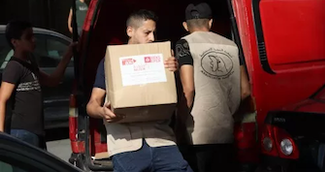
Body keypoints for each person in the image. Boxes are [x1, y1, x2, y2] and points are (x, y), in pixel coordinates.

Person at [86, 9, 193, 172]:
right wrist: (102, 112)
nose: (152, 38)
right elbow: (92, 104)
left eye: (154, 33)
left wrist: (175, 72)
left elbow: (178, 97)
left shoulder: (164, 58)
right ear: (130, 31)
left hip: (162, 142)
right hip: (126, 146)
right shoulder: (110, 62)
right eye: (147, 32)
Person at [175, 3, 251, 172]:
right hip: (226, 133)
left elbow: (189, 90)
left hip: (197, 134)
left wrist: (180, 125)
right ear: (210, 23)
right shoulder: (232, 46)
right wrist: (230, 115)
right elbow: (245, 91)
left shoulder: (184, 44)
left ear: (185, 26)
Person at [0, 20, 76, 149]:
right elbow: (2, 99)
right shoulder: (14, 67)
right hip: (22, 132)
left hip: (36, 131)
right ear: (15, 42)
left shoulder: (30, 62)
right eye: (28, 37)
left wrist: (68, 55)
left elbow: (52, 81)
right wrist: (2, 136)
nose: (34, 40)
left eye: (33, 36)